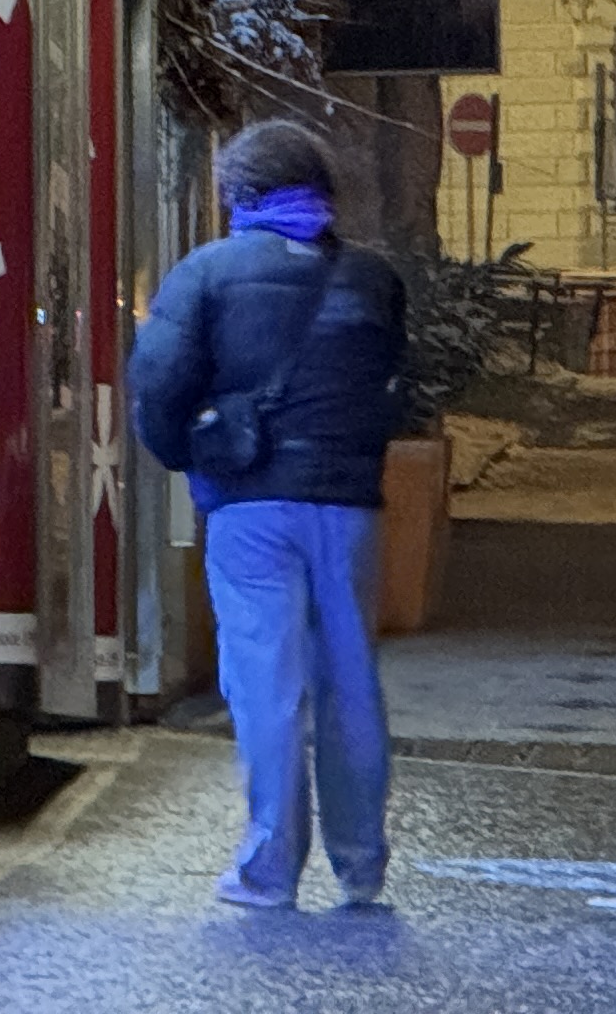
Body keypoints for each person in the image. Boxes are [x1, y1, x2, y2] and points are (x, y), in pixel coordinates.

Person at [129, 117, 409, 909]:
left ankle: (268, 868)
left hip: (250, 507)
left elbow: (157, 384)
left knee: (268, 684)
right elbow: (397, 384)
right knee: (351, 678)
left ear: (239, 196)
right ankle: (361, 864)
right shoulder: (373, 279)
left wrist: (190, 452)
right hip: (348, 507)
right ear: (322, 193)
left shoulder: (205, 275)